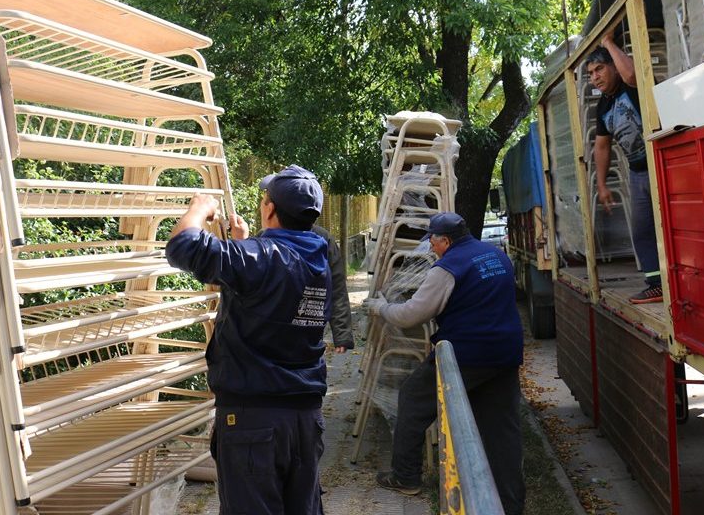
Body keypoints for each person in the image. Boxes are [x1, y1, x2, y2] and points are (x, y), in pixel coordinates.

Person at [165, 165, 331, 515]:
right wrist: (244, 245)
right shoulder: (318, 258)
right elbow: (273, 292)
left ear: (269, 209)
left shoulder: (260, 258)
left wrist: (200, 208)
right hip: (304, 419)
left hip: (254, 421)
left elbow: (182, 246)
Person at [366, 212, 525, 515]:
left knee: (413, 397)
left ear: (446, 241)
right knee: (501, 431)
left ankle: (406, 476)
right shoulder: (496, 254)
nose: (431, 249)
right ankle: (511, 505)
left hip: (467, 353)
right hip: (505, 352)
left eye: (433, 243)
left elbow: (411, 315)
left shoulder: (447, 269)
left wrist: (382, 307)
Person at [588, 31, 663, 304]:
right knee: (643, 229)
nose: (595, 77)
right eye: (591, 73)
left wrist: (608, 42)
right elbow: (602, 146)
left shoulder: (631, 85)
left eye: (600, 69)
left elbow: (632, 76)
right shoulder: (603, 106)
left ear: (613, 66)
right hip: (637, 170)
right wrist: (602, 184)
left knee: (673, 222)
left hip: (661, 161)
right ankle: (656, 284)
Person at [312, 224, 354, 353]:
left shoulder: (322, 238)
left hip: (310, 324)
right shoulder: (266, 238)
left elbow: (337, 288)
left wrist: (342, 334)